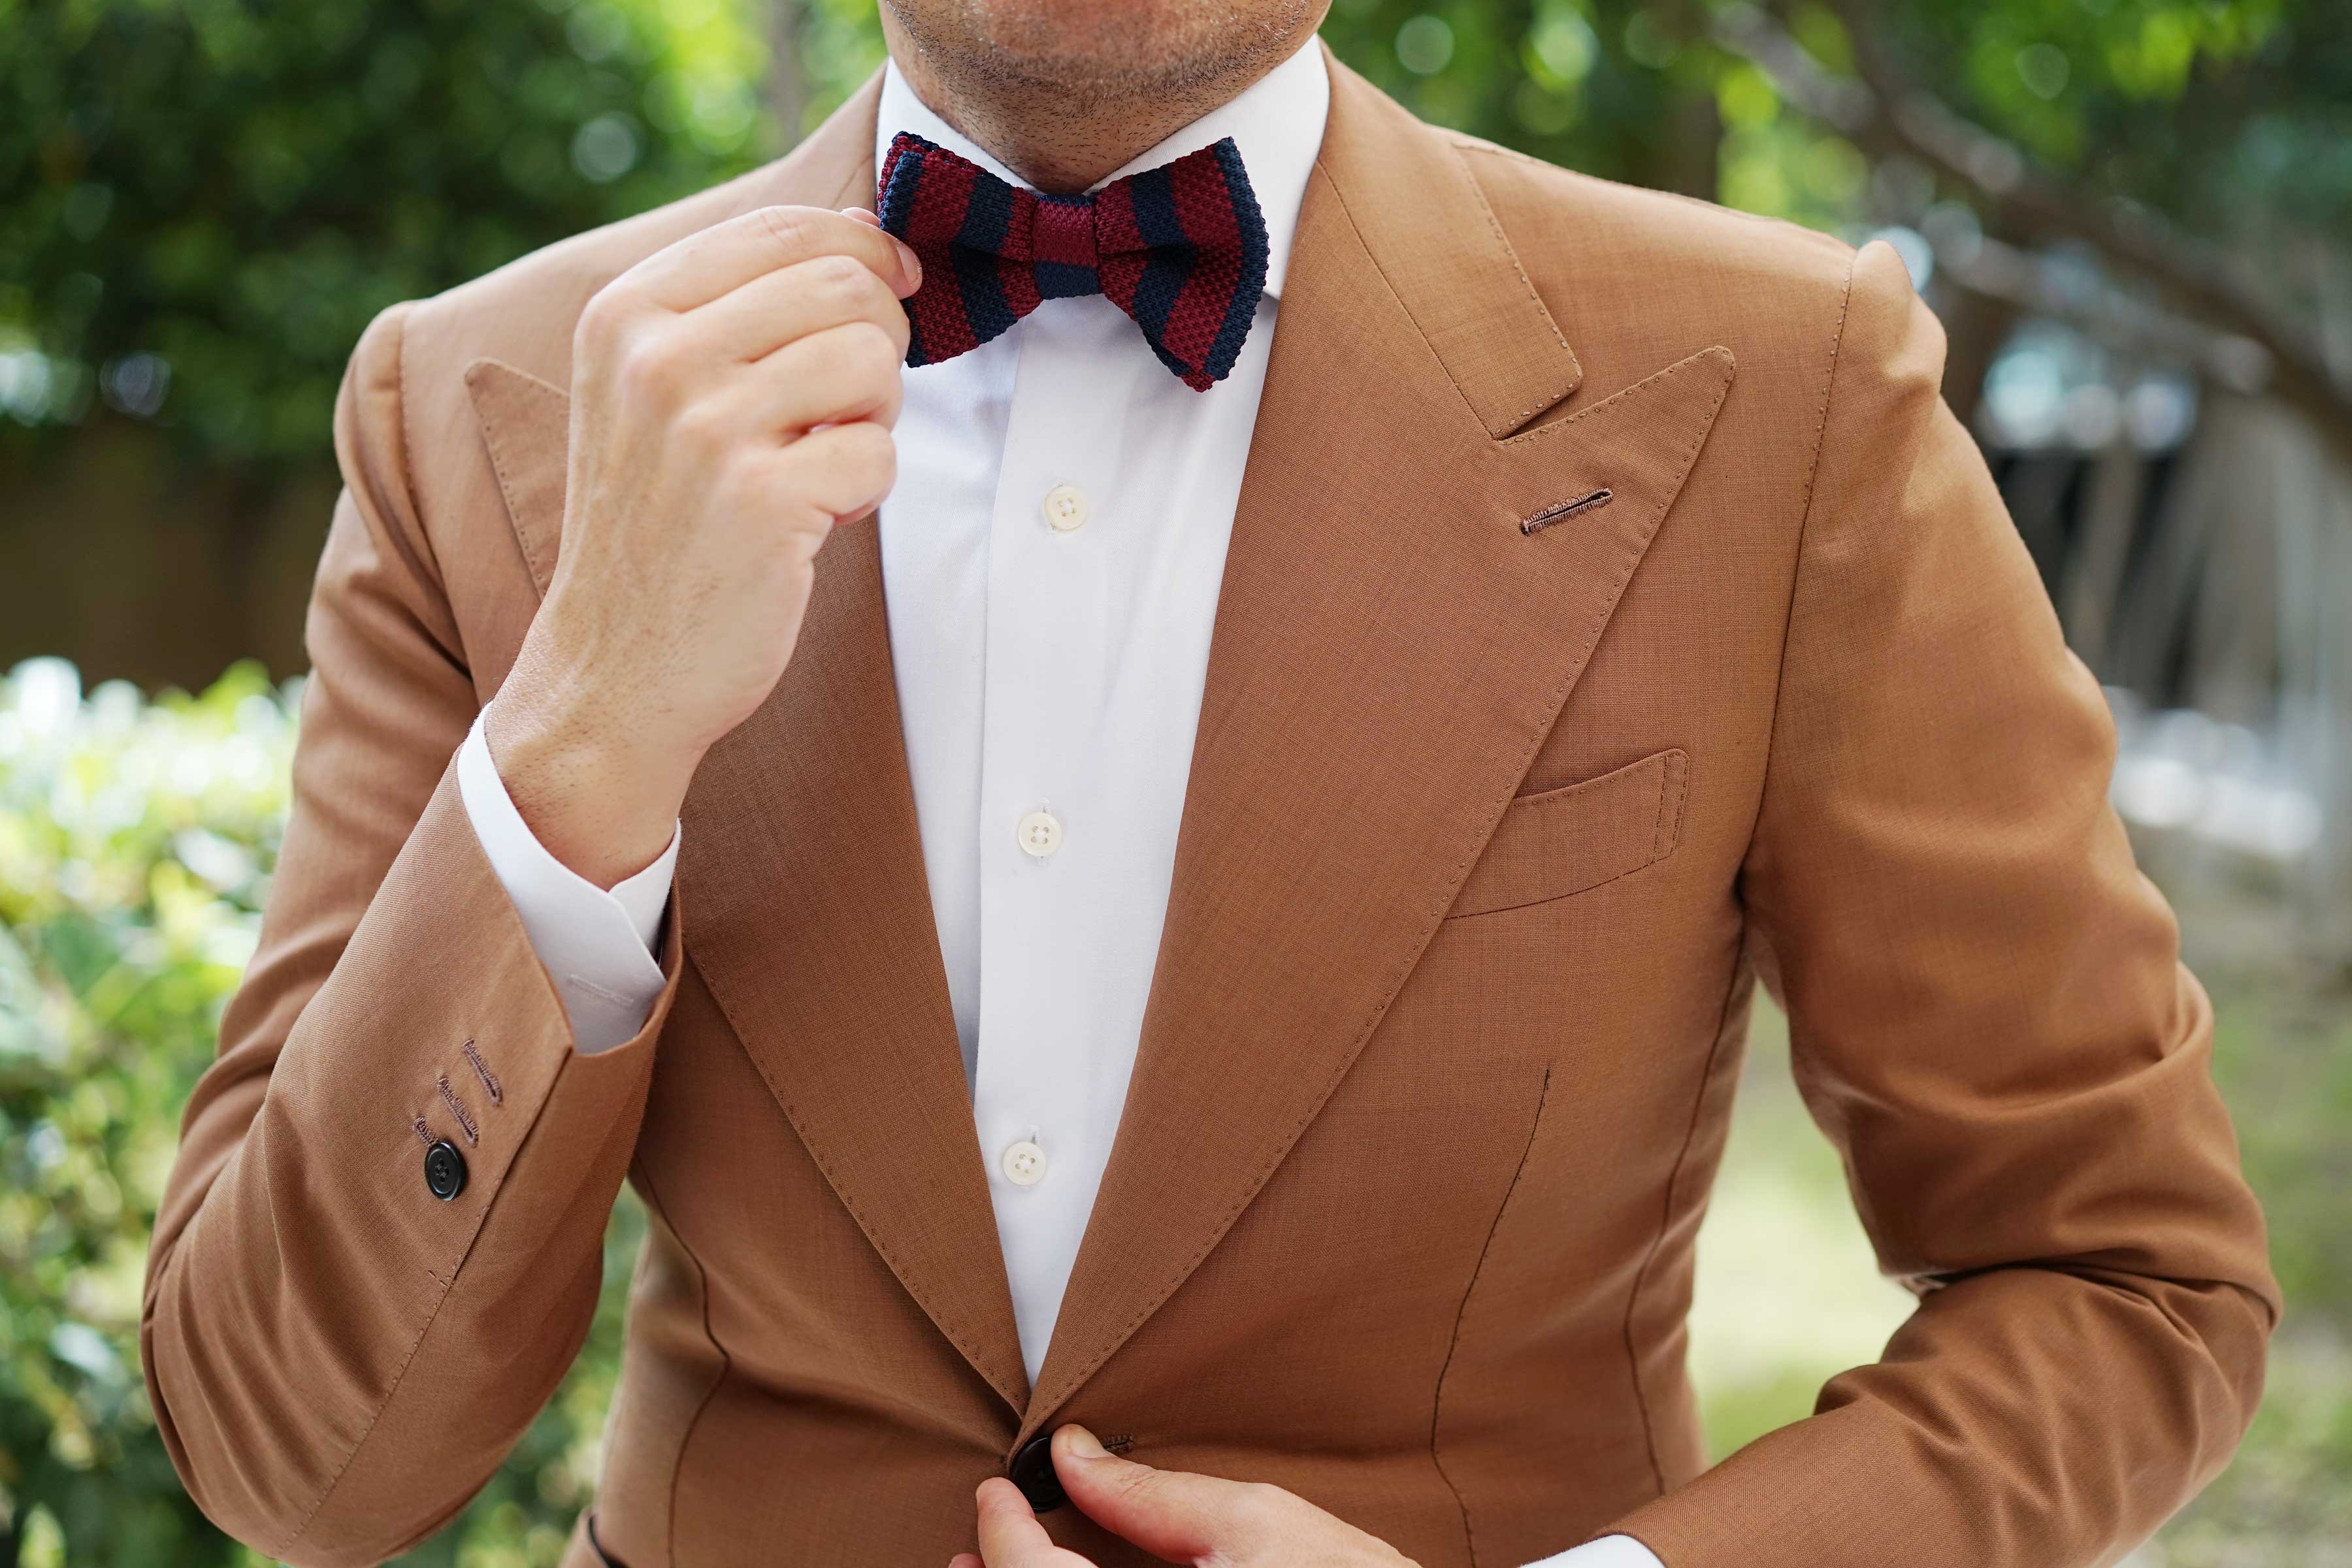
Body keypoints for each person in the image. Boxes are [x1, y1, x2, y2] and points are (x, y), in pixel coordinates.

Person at [140, 2, 2279, 1565]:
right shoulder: (483, 405)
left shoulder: (1789, 389)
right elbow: (295, 1456)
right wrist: (586, 732)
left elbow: (2124, 1283)